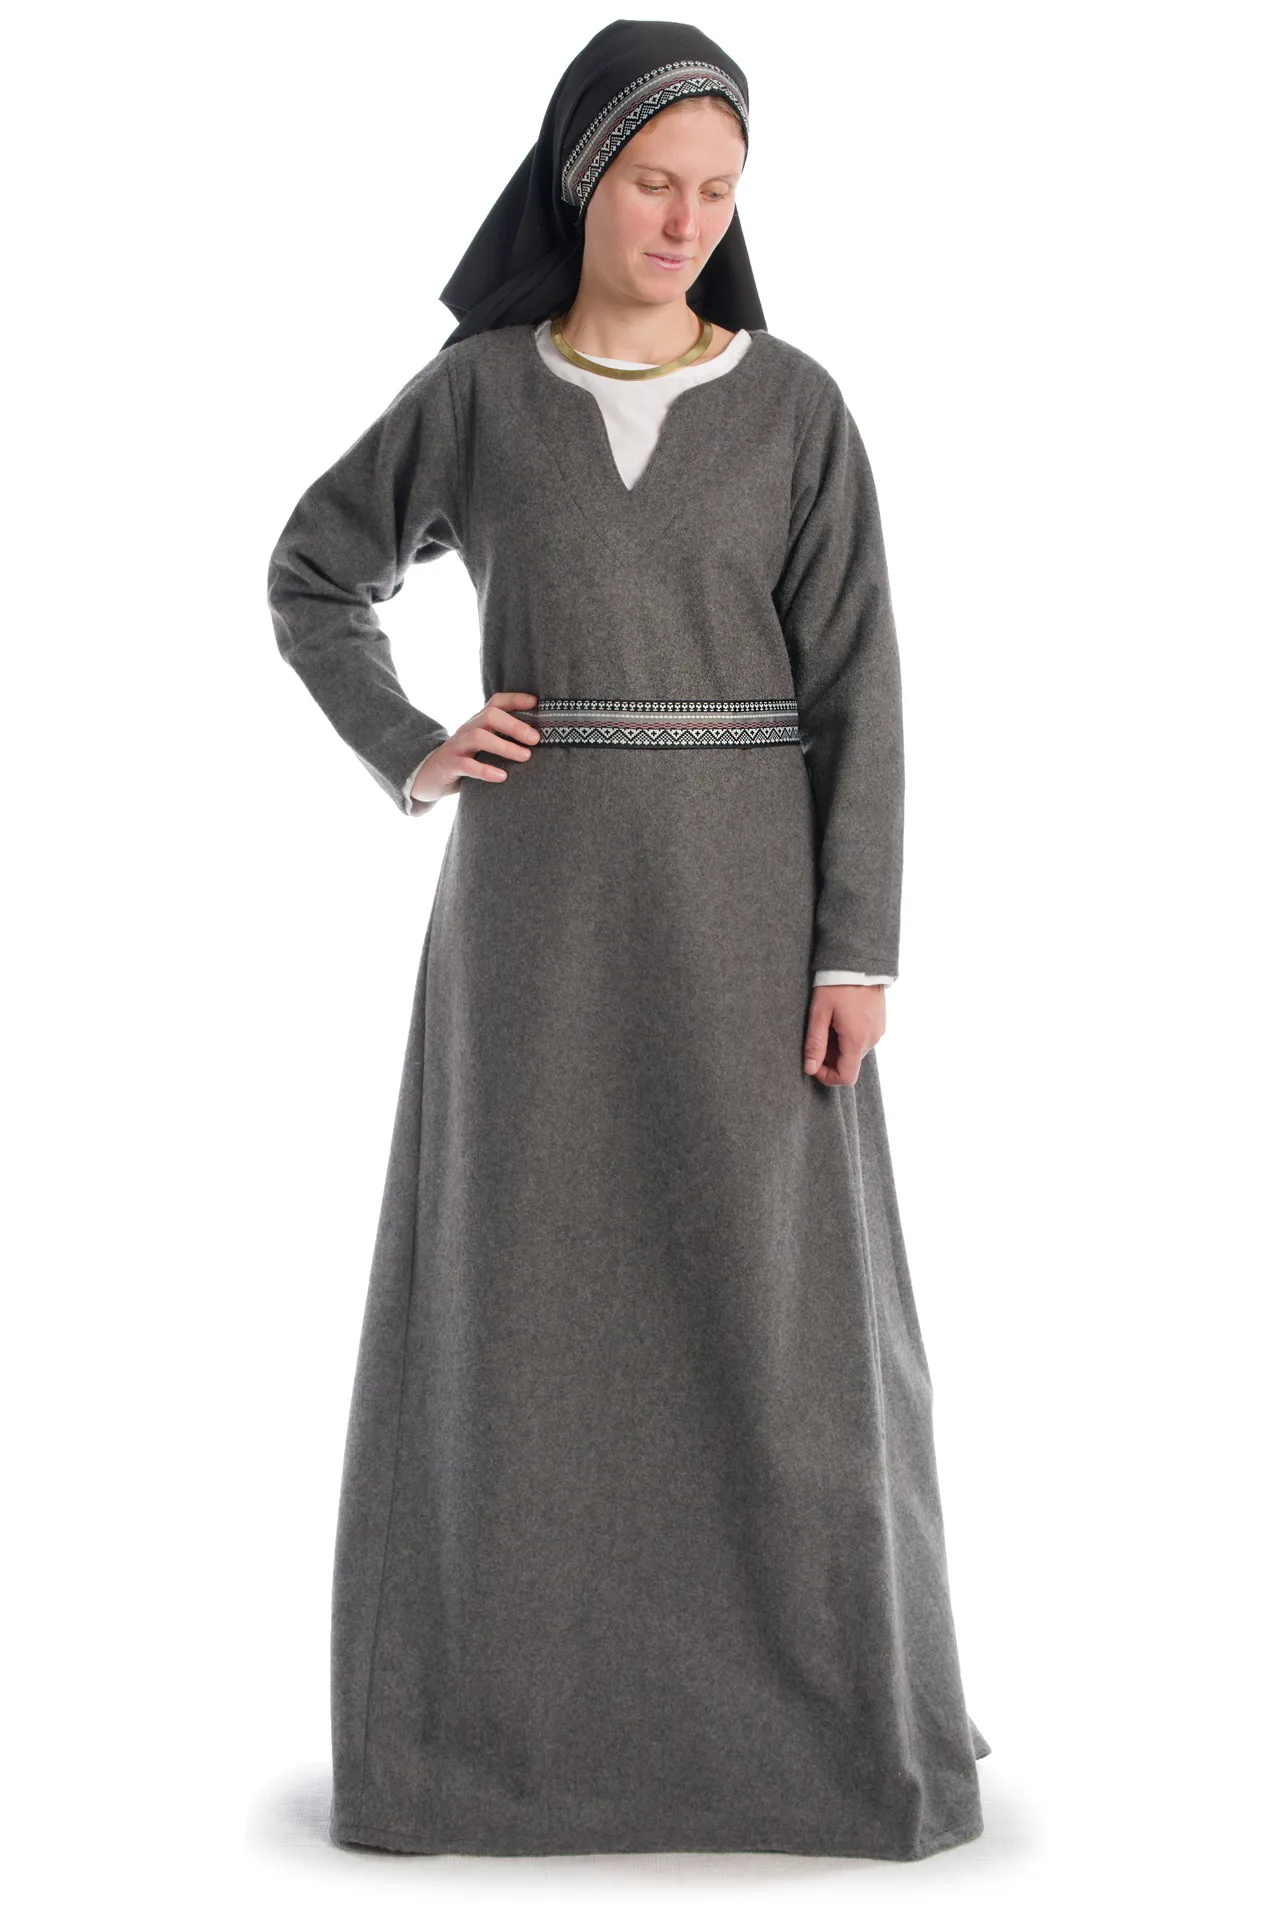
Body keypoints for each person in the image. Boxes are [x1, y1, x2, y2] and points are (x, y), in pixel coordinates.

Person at [266, 16, 990, 1863]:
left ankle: (812, 1722)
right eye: (656, 183)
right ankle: (487, 1730)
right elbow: (314, 573)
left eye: (720, 193)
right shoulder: (478, 396)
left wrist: (855, 950)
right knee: (516, 1301)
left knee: (779, 1310)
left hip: (752, 908)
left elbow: (862, 688)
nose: (686, 223)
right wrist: (412, 745)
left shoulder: (797, 405)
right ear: (583, 180)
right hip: (537, 911)